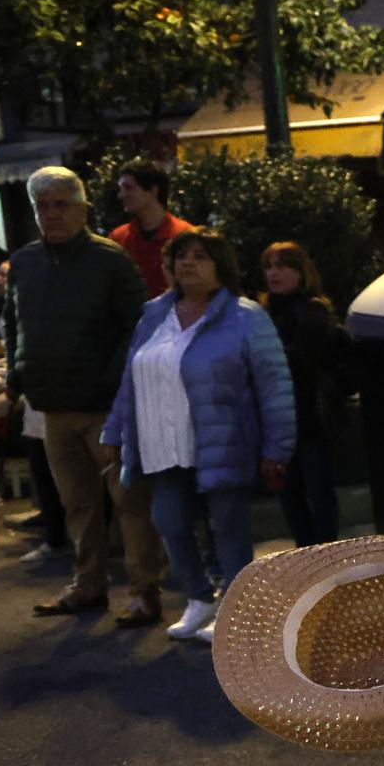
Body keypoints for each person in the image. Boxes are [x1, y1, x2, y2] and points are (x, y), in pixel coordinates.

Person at [101, 230, 295, 643]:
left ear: (220, 266)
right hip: (162, 440)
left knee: (228, 527)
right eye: (181, 256)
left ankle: (236, 609)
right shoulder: (154, 314)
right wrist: (115, 429)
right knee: (167, 520)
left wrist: (279, 446)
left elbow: (274, 384)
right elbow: (131, 379)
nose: (188, 263)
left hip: (222, 439)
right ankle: (198, 598)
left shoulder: (246, 317)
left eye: (200, 256)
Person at [4, 166, 167, 625]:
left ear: (81, 209)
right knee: (77, 502)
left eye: (61, 205)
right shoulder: (25, 263)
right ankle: (89, 582)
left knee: (129, 500)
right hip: (53, 402)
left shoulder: (110, 260)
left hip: (104, 405)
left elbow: (138, 326)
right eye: (43, 206)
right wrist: (18, 373)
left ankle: (143, 589)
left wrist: (111, 380)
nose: (51, 215)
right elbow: (12, 321)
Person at [260, 240, 348, 547]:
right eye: (269, 266)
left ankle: (324, 550)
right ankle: (305, 550)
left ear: (300, 271)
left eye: (282, 266)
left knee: (318, 489)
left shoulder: (312, 310)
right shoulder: (264, 312)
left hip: (310, 416)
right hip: (277, 419)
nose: (274, 273)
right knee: (289, 492)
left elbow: (304, 358)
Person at [109, 161, 194, 300]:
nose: (121, 195)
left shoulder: (184, 235)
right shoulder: (118, 237)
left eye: (128, 188)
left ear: (153, 191)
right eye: (121, 189)